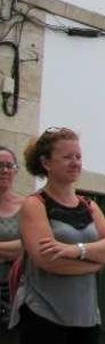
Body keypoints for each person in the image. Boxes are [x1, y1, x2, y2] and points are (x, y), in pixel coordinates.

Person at [11, 128, 105, 343]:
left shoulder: (90, 206)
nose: (75, 163)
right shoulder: (35, 204)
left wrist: (74, 250)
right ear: (46, 163)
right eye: (67, 157)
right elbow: (49, 260)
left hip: (87, 318)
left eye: (78, 157)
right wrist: (97, 263)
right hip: (44, 316)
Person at [0, 146, 24, 342]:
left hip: (15, 290)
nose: (5, 170)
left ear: (16, 170)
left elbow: (30, 245)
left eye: (9, 165)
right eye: (0, 166)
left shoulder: (27, 206)